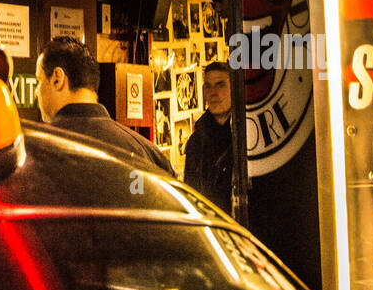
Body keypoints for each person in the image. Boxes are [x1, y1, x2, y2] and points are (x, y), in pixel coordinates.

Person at [35, 36, 172, 174]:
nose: (36, 92)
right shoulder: (149, 154)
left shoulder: (37, 153)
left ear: (57, 79)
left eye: (39, 81)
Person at [183, 61, 233, 214]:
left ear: (234, 89)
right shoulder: (196, 142)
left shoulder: (248, 136)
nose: (213, 93)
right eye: (208, 86)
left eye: (220, 85)